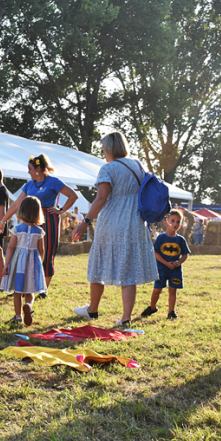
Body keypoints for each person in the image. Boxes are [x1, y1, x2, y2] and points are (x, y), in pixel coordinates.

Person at [72, 131, 159, 328]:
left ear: (109, 148)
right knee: (129, 270)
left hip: (112, 221)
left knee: (99, 264)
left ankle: (92, 309)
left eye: (103, 147)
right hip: (136, 221)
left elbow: (101, 197)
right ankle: (126, 317)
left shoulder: (108, 168)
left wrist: (85, 220)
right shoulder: (138, 165)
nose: (103, 152)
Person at [0, 154, 77, 297]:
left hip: (49, 220)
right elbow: (15, 204)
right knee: (24, 253)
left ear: (38, 168)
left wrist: (61, 210)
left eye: (30, 169)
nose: (28, 172)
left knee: (46, 253)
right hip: (30, 221)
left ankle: (43, 290)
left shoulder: (53, 181)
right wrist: (2, 222)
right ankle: (21, 288)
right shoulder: (29, 184)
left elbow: (73, 195)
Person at [0, 197, 46, 326]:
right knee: (30, 291)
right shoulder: (39, 231)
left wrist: (6, 264)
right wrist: (39, 264)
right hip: (32, 263)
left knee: (17, 291)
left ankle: (18, 316)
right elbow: (41, 250)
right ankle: (28, 305)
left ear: (22, 210)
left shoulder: (17, 229)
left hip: (18, 263)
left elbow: (10, 247)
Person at [141, 209, 190, 320]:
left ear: (181, 225)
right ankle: (152, 307)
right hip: (161, 269)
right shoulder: (161, 238)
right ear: (165, 222)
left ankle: (171, 312)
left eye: (178, 222)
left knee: (173, 290)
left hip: (175, 271)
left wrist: (179, 262)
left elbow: (185, 254)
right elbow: (155, 252)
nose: (175, 224)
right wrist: (166, 263)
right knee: (157, 290)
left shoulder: (180, 240)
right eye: (172, 221)